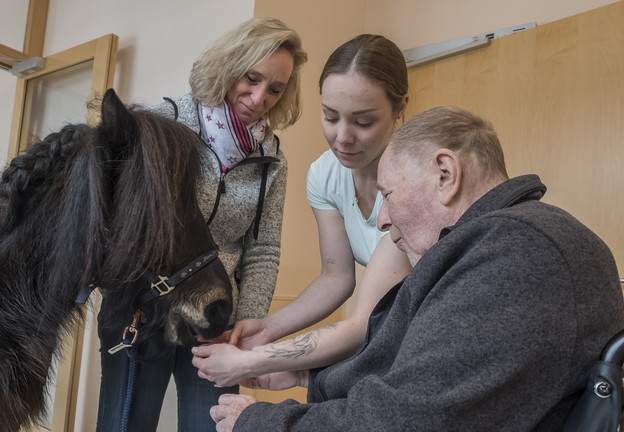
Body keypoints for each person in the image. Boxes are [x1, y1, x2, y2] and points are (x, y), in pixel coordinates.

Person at [210, 106, 624, 431]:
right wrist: (306, 375)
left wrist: (257, 423)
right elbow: (427, 375)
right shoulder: (500, 243)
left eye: (389, 195)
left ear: (446, 174)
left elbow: (406, 421)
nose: (383, 219)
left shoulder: (519, 251)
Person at [95, 17, 307, 432]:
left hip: (213, 323)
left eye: (275, 89)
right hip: (142, 313)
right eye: (251, 78)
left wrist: (242, 325)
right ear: (230, 66)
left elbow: (262, 251)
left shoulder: (273, 161)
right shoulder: (164, 122)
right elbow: (112, 217)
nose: (260, 96)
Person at [192, 34, 412, 388]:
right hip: (389, 339)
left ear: (400, 106)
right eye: (330, 116)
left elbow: (360, 324)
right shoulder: (326, 174)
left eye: (364, 122)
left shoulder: (414, 182)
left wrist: (252, 361)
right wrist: (269, 327)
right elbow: (336, 277)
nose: (342, 137)